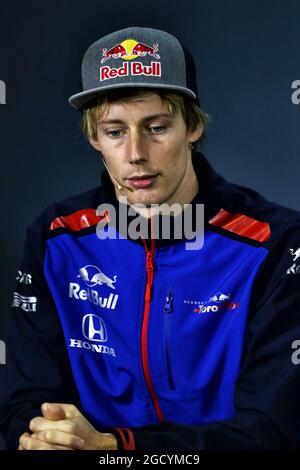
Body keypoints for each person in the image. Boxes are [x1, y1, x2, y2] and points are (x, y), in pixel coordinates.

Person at [0, 25, 300, 451]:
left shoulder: (276, 242)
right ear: (93, 138)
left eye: (157, 127)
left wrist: (119, 448)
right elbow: (22, 404)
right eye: (115, 131)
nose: (136, 153)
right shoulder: (56, 236)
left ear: (193, 126)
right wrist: (42, 435)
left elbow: (274, 429)